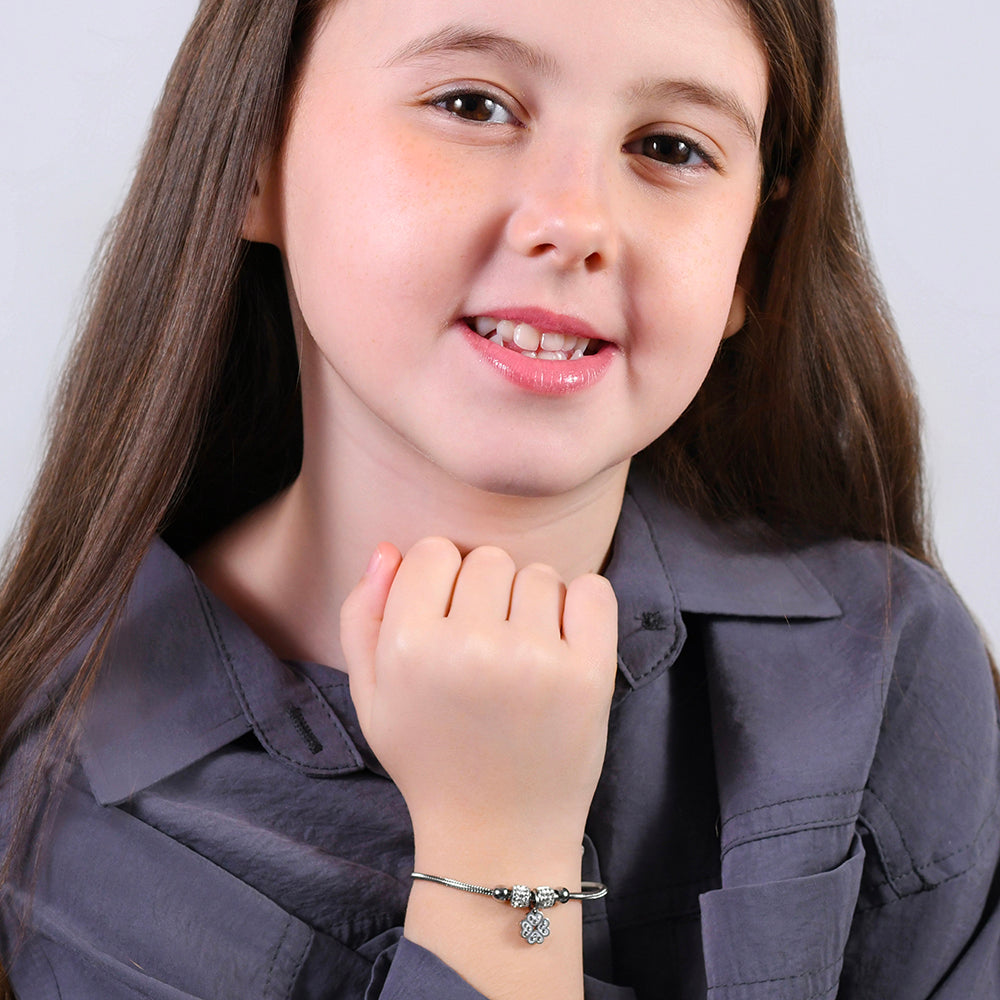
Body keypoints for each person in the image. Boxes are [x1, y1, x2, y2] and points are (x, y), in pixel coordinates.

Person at [0, 0, 996, 996]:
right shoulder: (71, 804)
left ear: (752, 260)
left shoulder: (886, 664)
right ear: (252, 156)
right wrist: (500, 853)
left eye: (669, 146)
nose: (575, 222)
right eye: (472, 103)